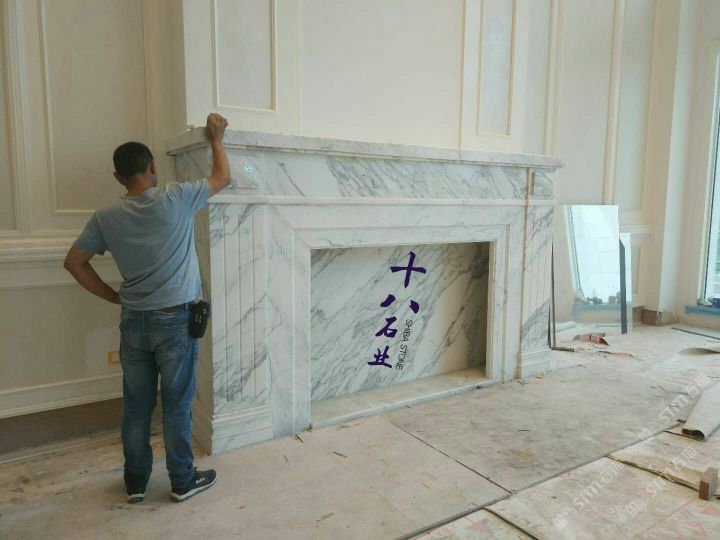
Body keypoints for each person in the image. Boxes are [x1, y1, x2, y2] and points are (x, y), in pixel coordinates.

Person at [64, 113, 230, 503]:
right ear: (153, 166)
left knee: (137, 407)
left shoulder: (106, 218)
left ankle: (136, 482)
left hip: (134, 322)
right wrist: (216, 139)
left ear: (118, 177)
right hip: (175, 321)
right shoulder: (176, 197)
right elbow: (222, 178)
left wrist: (113, 296)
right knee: (177, 404)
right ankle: (182, 480)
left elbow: (74, 262)